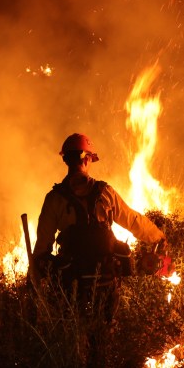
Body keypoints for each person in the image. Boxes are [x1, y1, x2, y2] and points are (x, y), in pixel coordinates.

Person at [31, 133, 166, 320]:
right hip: (106, 277)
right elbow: (132, 220)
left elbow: (42, 247)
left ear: (66, 161)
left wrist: (34, 279)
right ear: (87, 159)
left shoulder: (54, 199)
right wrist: (158, 237)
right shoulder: (105, 193)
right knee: (106, 326)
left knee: (74, 325)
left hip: (72, 281)